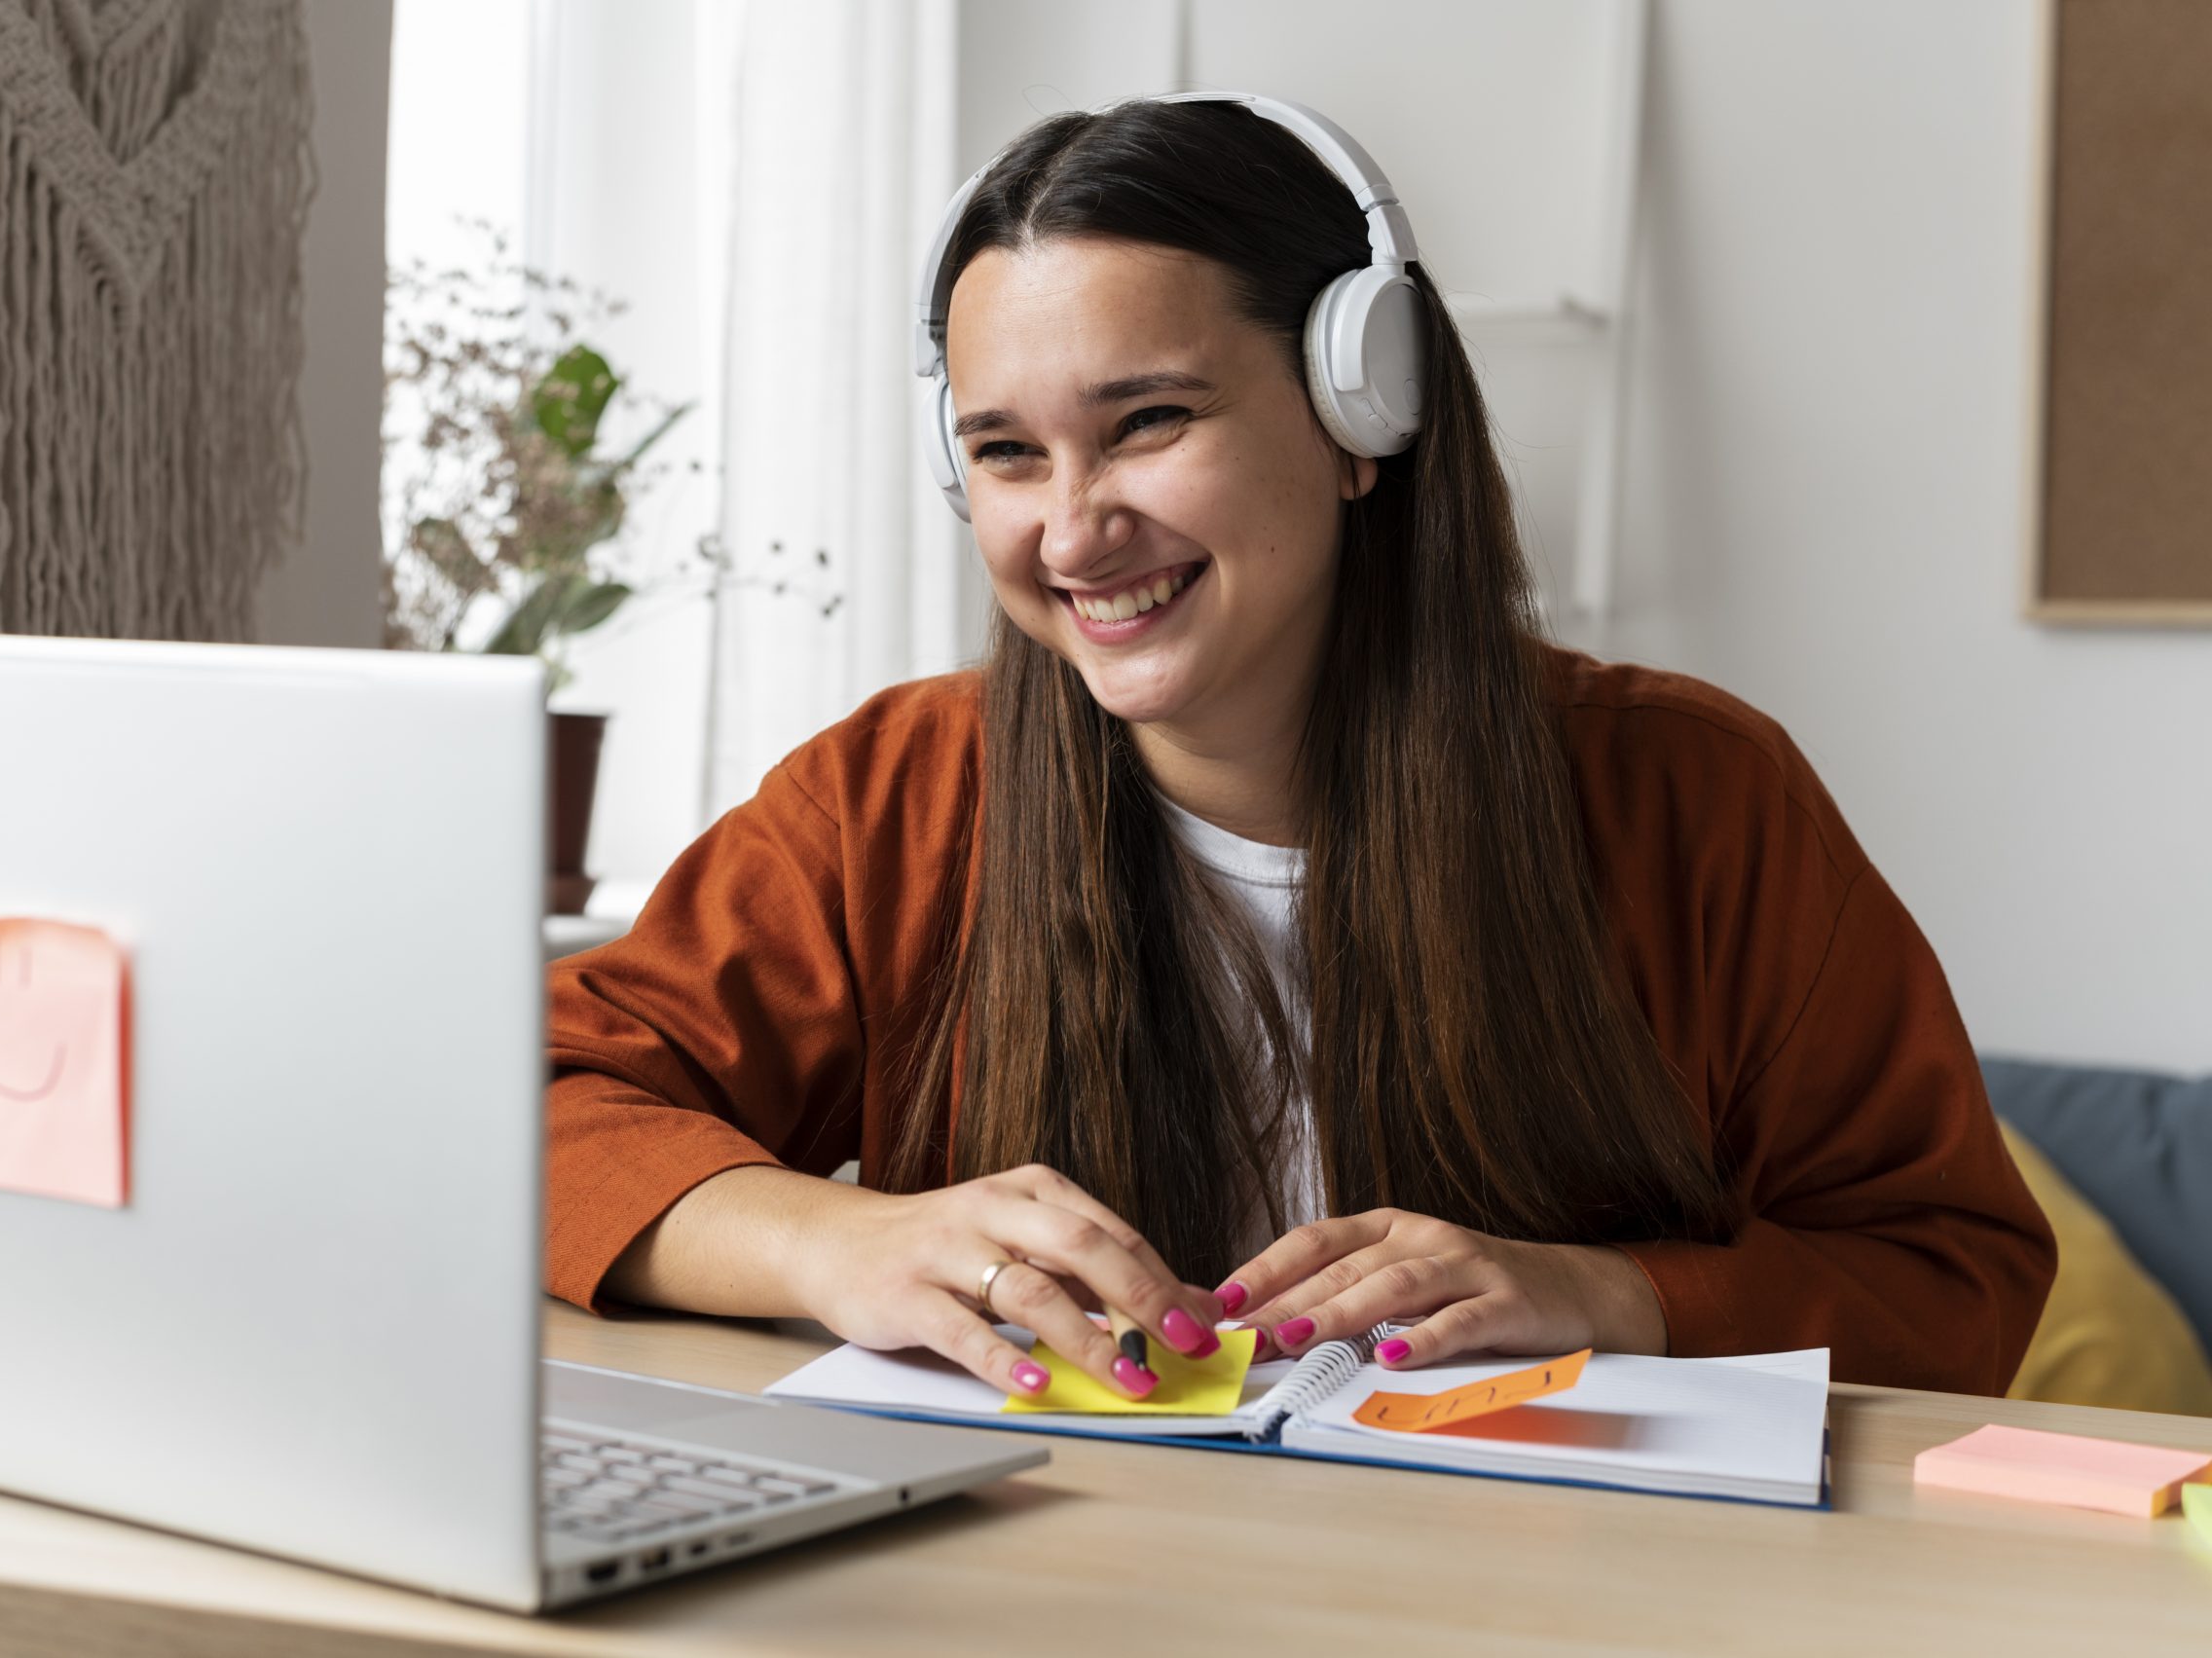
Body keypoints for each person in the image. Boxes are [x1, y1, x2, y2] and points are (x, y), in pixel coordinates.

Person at [545, 93, 2052, 1406]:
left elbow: (1951, 1275)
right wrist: (834, 1236)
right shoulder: (893, 798)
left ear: (1358, 414)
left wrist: (1617, 1297)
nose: (1072, 530)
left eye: (1146, 421)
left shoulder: (1701, 799)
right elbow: (532, 1104)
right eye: (1007, 451)